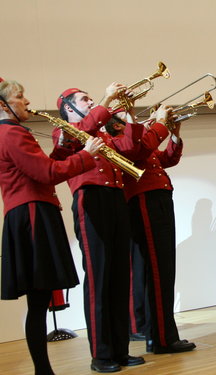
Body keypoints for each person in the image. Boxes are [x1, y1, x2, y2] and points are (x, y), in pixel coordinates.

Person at [0, 78, 103, 375]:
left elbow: (39, 169)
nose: (27, 102)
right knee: (38, 300)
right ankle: (43, 371)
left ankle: (43, 370)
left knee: (39, 300)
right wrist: (87, 155)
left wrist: (63, 150)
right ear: (3, 105)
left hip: (29, 213)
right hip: (33, 215)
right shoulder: (12, 134)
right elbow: (45, 174)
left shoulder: (10, 133)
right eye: (21, 97)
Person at [53, 84, 145, 373]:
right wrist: (106, 100)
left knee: (119, 276)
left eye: (93, 98)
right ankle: (101, 354)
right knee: (99, 278)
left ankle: (120, 350)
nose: (91, 101)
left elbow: (130, 149)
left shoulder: (102, 131)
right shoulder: (65, 130)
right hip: (91, 200)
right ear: (69, 107)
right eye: (85, 99)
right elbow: (78, 135)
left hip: (116, 199)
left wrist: (130, 117)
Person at [105, 107, 196, 354]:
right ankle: (162, 338)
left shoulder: (138, 140)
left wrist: (174, 134)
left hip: (157, 199)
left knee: (161, 269)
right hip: (145, 200)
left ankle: (157, 333)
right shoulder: (121, 141)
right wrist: (160, 124)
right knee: (159, 270)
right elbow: (140, 149)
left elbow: (166, 159)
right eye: (128, 118)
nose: (137, 120)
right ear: (115, 125)